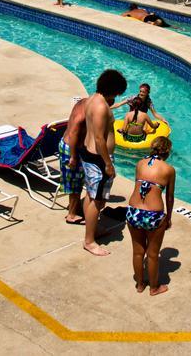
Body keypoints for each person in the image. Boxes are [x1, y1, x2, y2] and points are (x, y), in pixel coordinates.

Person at [78, 69, 128, 256]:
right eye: (117, 92)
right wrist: (108, 164)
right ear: (112, 89)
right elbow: (99, 139)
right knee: (96, 200)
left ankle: (94, 230)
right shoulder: (100, 107)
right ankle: (89, 241)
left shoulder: (92, 99)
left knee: (91, 196)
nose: (117, 96)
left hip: (90, 154)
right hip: (98, 158)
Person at [126, 137, 175, 296]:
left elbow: (139, 187)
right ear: (167, 151)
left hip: (133, 211)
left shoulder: (140, 164)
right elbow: (169, 197)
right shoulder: (168, 169)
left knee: (138, 252)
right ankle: (154, 288)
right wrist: (168, 218)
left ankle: (140, 285)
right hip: (153, 214)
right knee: (153, 255)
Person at [60, 97, 89, 225]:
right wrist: (73, 156)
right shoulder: (84, 114)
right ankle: (71, 215)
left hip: (69, 146)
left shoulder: (84, 102)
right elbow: (73, 134)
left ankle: (74, 208)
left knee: (76, 181)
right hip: (72, 149)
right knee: (75, 183)